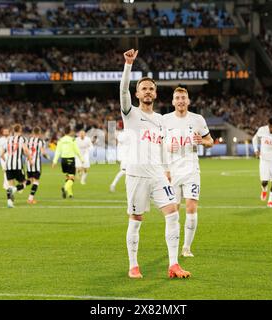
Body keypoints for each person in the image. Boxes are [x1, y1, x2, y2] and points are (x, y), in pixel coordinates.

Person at [120, 49, 190, 279]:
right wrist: (128, 65)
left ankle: (173, 264)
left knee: (172, 213)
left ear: (155, 93)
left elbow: (162, 147)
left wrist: (167, 169)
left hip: (158, 175)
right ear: (137, 94)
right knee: (137, 219)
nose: (147, 91)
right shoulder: (130, 113)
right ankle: (133, 265)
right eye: (143, 88)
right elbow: (122, 90)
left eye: (151, 88)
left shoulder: (160, 120)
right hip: (137, 175)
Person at [162, 87, 214, 258]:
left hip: (192, 170)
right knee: (173, 211)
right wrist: (167, 148)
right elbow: (157, 145)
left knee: (191, 208)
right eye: (177, 98)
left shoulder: (197, 119)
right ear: (173, 102)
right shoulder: (164, 120)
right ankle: (173, 246)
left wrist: (203, 141)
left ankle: (186, 247)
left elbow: (210, 141)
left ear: (188, 101)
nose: (181, 101)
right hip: (172, 173)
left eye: (183, 97)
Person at [1, 124, 33, 208]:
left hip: (8, 165)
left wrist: (7, 161)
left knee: (10, 184)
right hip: (17, 165)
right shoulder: (22, 139)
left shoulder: (8, 139)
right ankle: (14, 190)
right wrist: (30, 160)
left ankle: (9, 203)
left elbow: (1, 154)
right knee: (26, 182)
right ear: (20, 130)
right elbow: (26, 150)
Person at [52, 126, 83, 199]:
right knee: (72, 178)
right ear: (70, 132)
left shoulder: (60, 140)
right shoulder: (72, 140)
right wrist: (81, 159)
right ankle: (64, 188)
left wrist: (54, 161)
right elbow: (76, 150)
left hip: (63, 160)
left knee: (67, 177)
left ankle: (70, 194)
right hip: (70, 160)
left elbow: (58, 151)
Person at [26, 126, 50, 204]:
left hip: (28, 162)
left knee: (30, 180)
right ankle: (30, 198)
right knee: (36, 181)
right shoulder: (41, 141)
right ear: (39, 133)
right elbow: (43, 153)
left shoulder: (28, 140)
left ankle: (16, 188)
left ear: (33, 132)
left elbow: (25, 151)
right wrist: (47, 157)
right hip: (36, 163)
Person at [110, 125, 129, 192]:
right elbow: (119, 140)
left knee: (128, 172)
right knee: (124, 171)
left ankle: (128, 187)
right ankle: (113, 185)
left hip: (129, 157)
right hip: (124, 157)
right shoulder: (123, 134)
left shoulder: (126, 134)